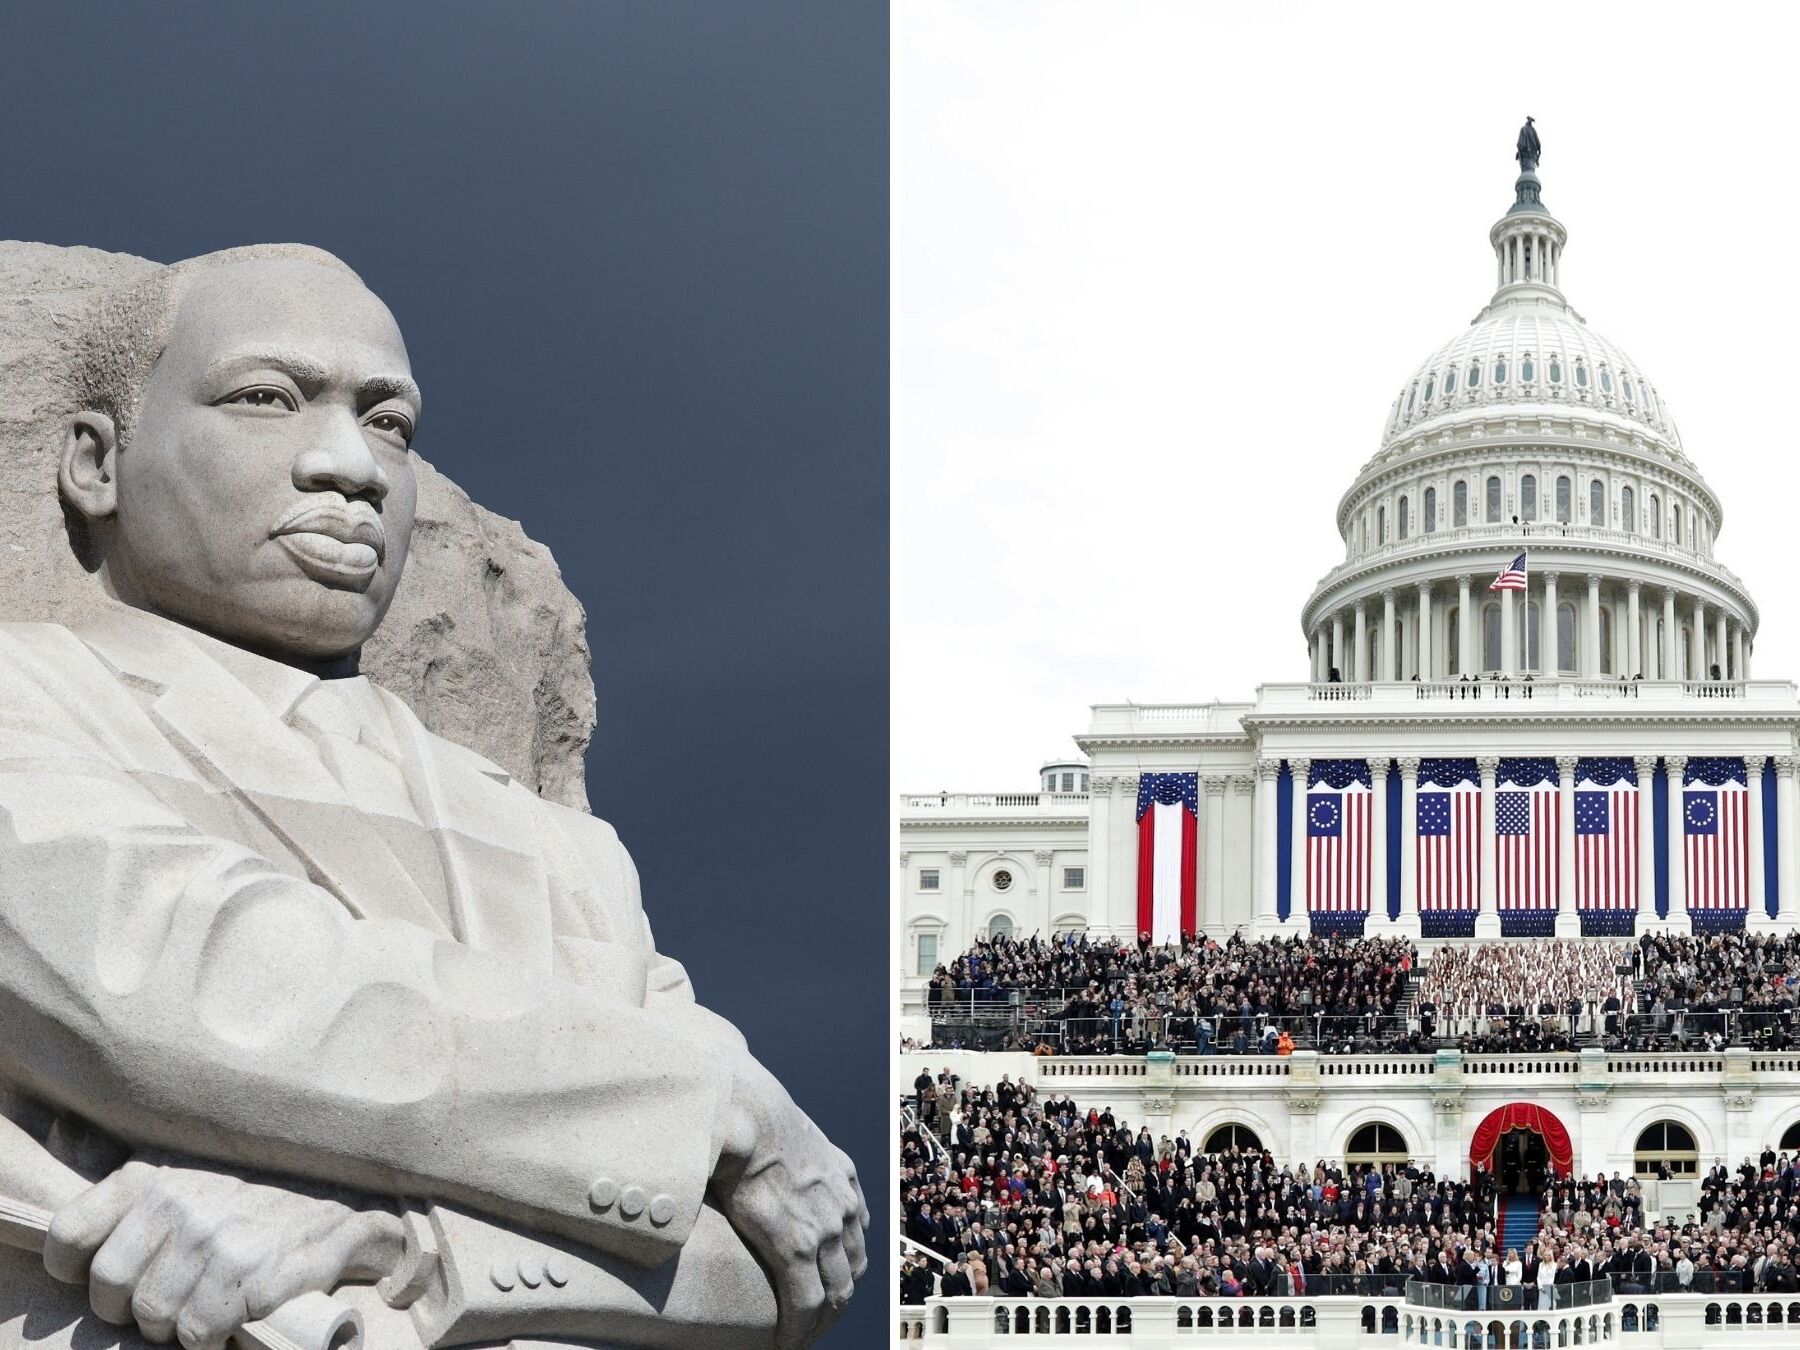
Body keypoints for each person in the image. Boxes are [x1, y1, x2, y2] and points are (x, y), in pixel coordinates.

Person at [0, 246, 866, 1350]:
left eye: (390, 424)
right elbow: (172, 984)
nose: (349, 464)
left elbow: (778, 1266)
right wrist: (714, 1106)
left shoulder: (566, 855)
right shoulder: (24, 699)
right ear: (95, 462)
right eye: (266, 399)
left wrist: (400, 1250)